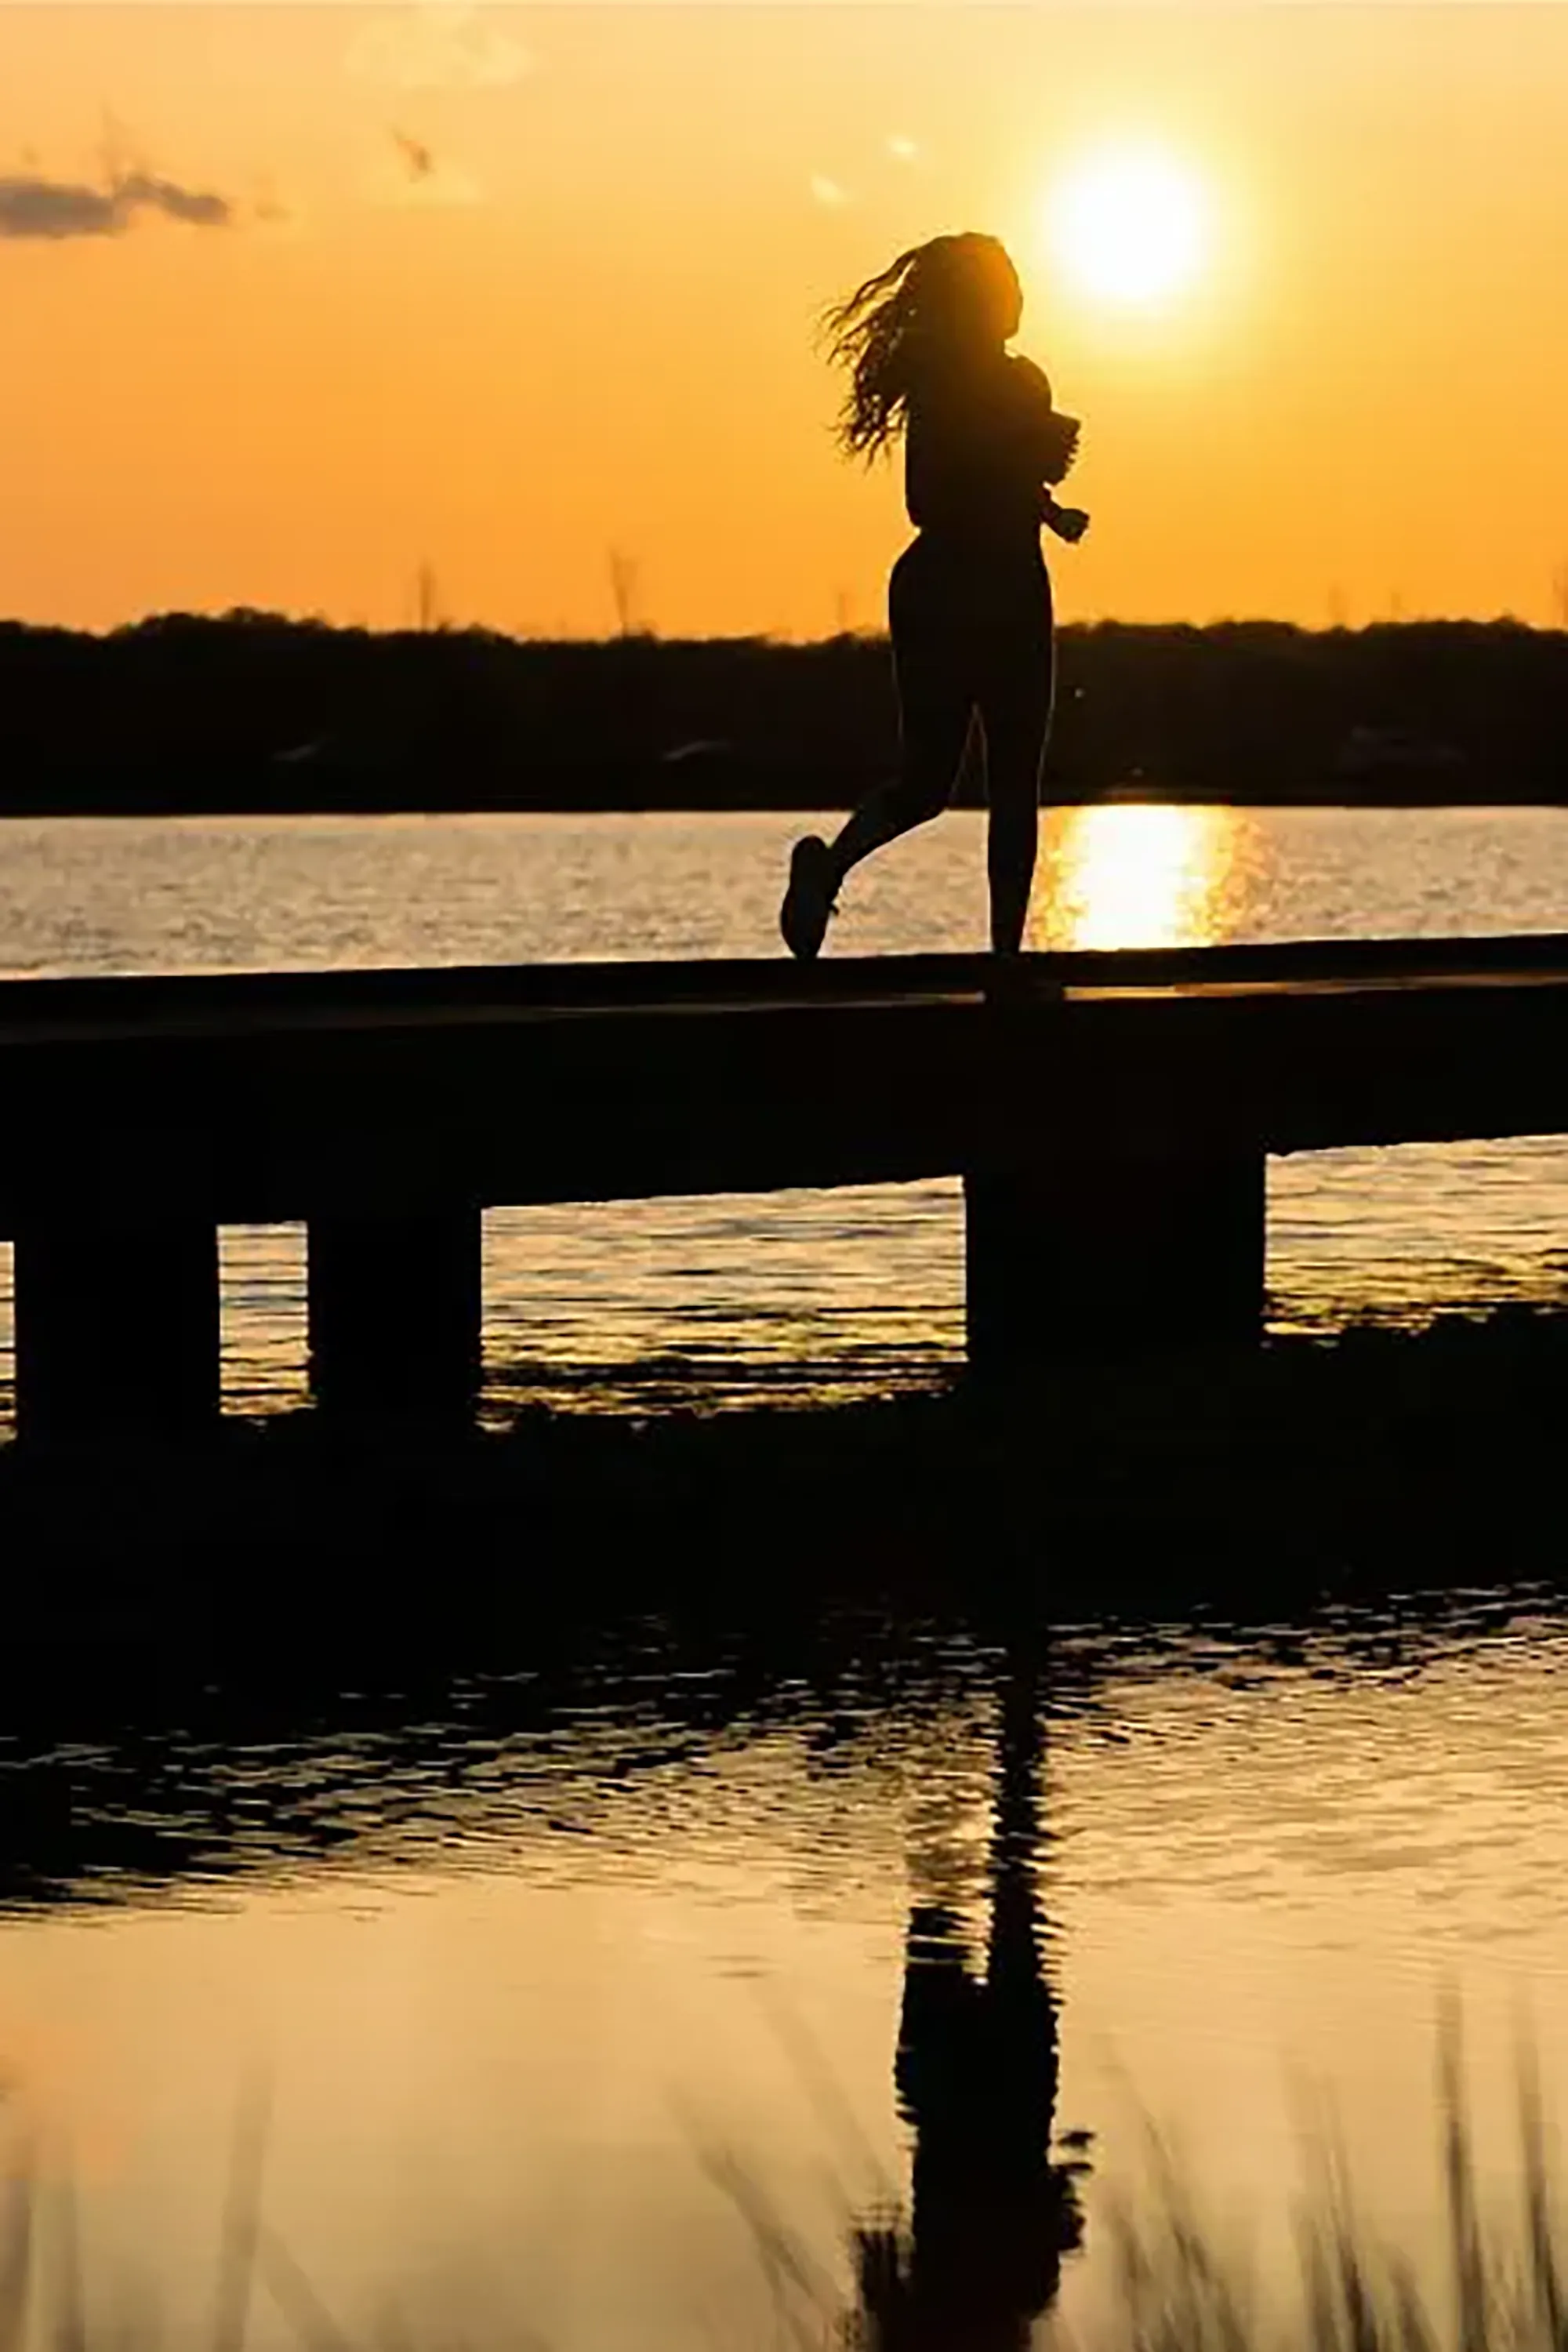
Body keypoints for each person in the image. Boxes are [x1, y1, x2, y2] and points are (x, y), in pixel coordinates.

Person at [780, 232, 1089, 968]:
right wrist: (1014, 457)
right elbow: (927, 501)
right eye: (1007, 284)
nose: (1020, 296)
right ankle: (826, 868)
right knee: (927, 785)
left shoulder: (1027, 383)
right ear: (978, 303)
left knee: (1018, 784)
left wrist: (1049, 508)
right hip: (944, 592)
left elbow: (1012, 481)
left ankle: (1006, 961)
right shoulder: (941, 391)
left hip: (1017, 587)